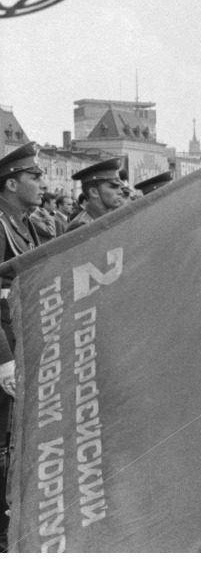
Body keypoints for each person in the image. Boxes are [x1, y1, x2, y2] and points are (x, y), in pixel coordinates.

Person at [0, 143, 45, 553]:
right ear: (11, 183)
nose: (41, 182)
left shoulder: (27, 224)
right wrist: (4, 360)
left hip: (26, 341)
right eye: (34, 176)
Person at [66, 157, 126, 231]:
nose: (120, 192)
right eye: (113, 187)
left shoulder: (109, 218)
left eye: (120, 187)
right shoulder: (80, 226)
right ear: (94, 192)